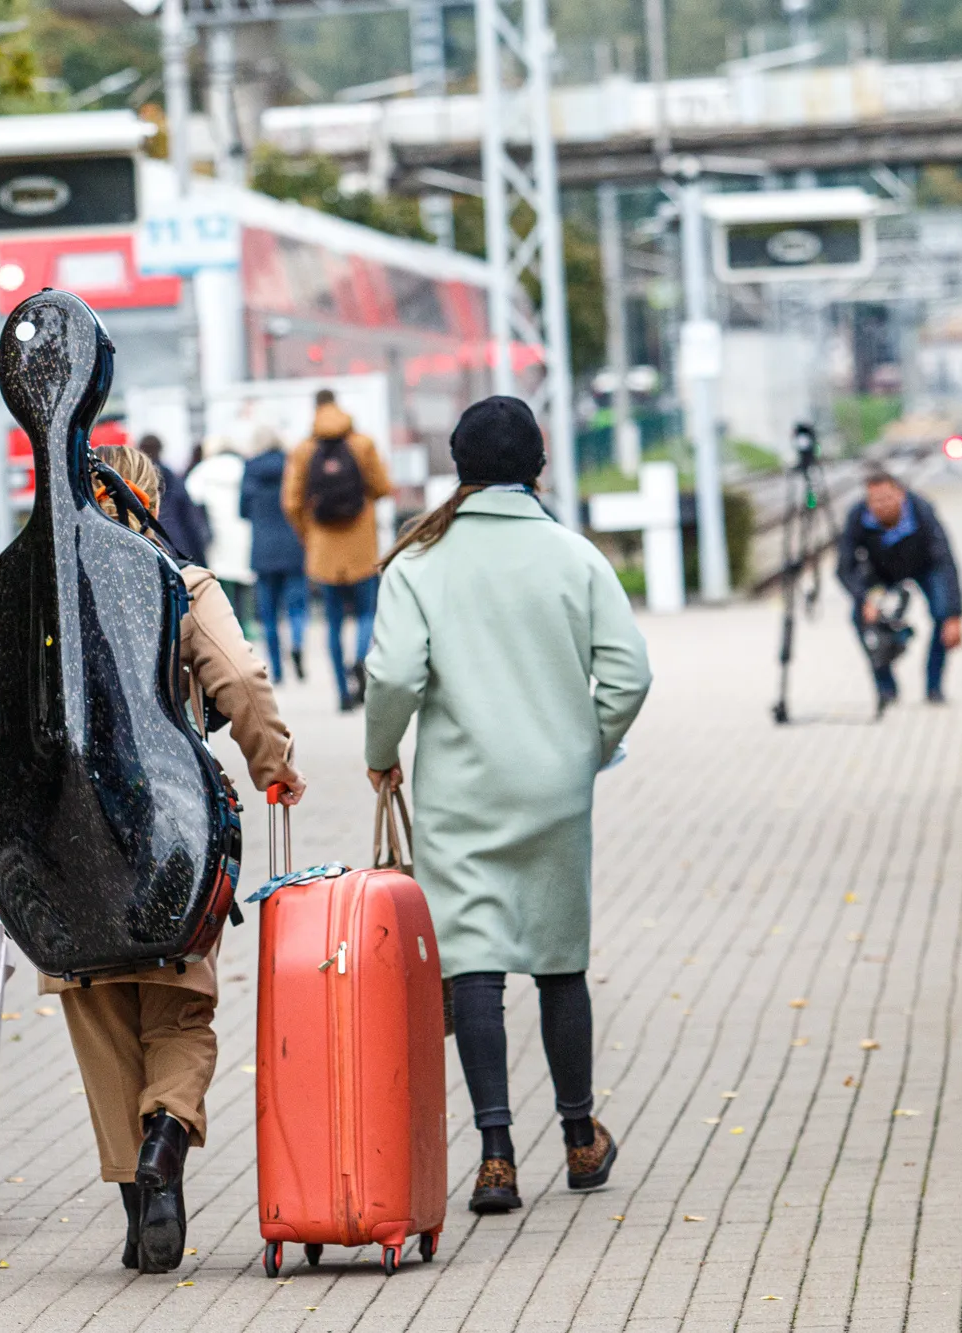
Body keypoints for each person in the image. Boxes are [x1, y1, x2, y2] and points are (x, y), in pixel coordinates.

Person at [362, 395, 651, 1216]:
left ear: (459, 467)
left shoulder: (419, 563)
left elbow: (392, 678)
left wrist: (381, 754)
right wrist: (582, 748)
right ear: (539, 466)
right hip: (556, 791)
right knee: (561, 959)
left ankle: (495, 1157)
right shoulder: (573, 555)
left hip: (460, 791)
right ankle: (579, 1135)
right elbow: (630, 673)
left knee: (475, 964)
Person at [45, 443, 305, 1274]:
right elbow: (239, 681)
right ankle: (165, 1139)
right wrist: (274, 764)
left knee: (99, 1009)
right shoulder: (180, 582)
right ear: (146, 496)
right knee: (180, 1009)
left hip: (61, 838)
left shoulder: (44, 590)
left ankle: (140, 1204)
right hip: (170, 833)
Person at [283, 388, 392, 710]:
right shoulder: (362, 444)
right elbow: (383, 487)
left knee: (331, 623)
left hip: (323, 550)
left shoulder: (303, 450)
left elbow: (291, 502)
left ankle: (343, 693)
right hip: (362, 548)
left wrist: (309, 534)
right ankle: (360, 658)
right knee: (366, 614)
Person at [835, 468, 962, 708]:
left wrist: (955, 613)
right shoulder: (857, 517)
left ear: (901, 495)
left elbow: (945, 560)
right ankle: (886, 687)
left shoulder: (923, 511)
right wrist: (865, 599)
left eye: (886, 498)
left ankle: (934, 687)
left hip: (924, 567)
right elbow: (844, 567)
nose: (881, 506)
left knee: (942, 614)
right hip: (881, 573)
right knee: (859, 619)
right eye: (875, 501)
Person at [240, 425, 308, 683]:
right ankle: (298, 643)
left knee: (268, 613)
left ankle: (277, 671)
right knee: (297, 607)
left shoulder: (250, 468)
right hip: (293, 546)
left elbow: (243, 510)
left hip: (263, 549)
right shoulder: (291, 464)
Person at [182, 435, 254, 625]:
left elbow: (191, 496)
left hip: (216, 531)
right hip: (243, 530)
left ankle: (226, 623)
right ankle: (246, 622)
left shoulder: (204, 470)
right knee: (244, 579)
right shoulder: (244, 467)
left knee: (220, 579)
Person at [136, 434, 210, 565]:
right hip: (177, 547)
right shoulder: (172, 479)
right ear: (161, 450)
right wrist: (202, 562)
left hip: (145, 549)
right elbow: (190, 521)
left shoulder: (133, 480)